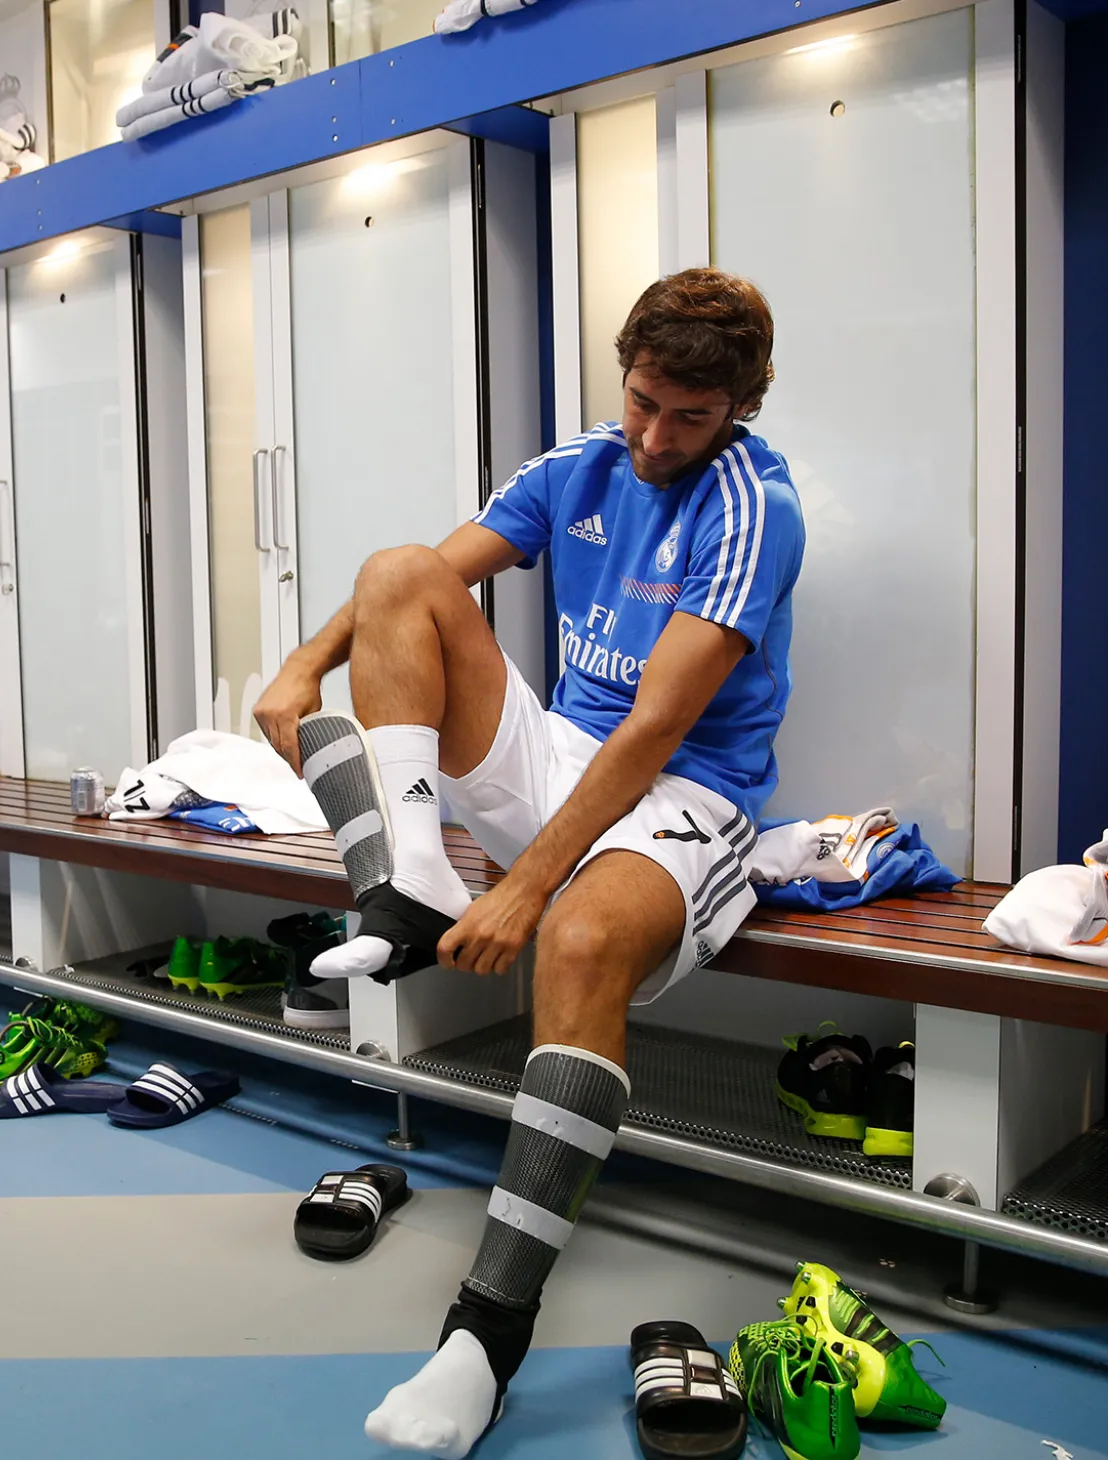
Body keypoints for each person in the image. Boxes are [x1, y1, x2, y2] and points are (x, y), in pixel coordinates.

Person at [255, 267, 805, 1458]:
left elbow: (659, 727)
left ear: (739, 409)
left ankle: (483, 1340)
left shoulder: (753, 505)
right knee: (400, 567)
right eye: (642, 401)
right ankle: (406, 882)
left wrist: (525, 881)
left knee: (575, 934)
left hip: (682, 792)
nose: (654, 436)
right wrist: (302, 664)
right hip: (562, 753)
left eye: (688, 419)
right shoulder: (578, 467)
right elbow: (414, 589)